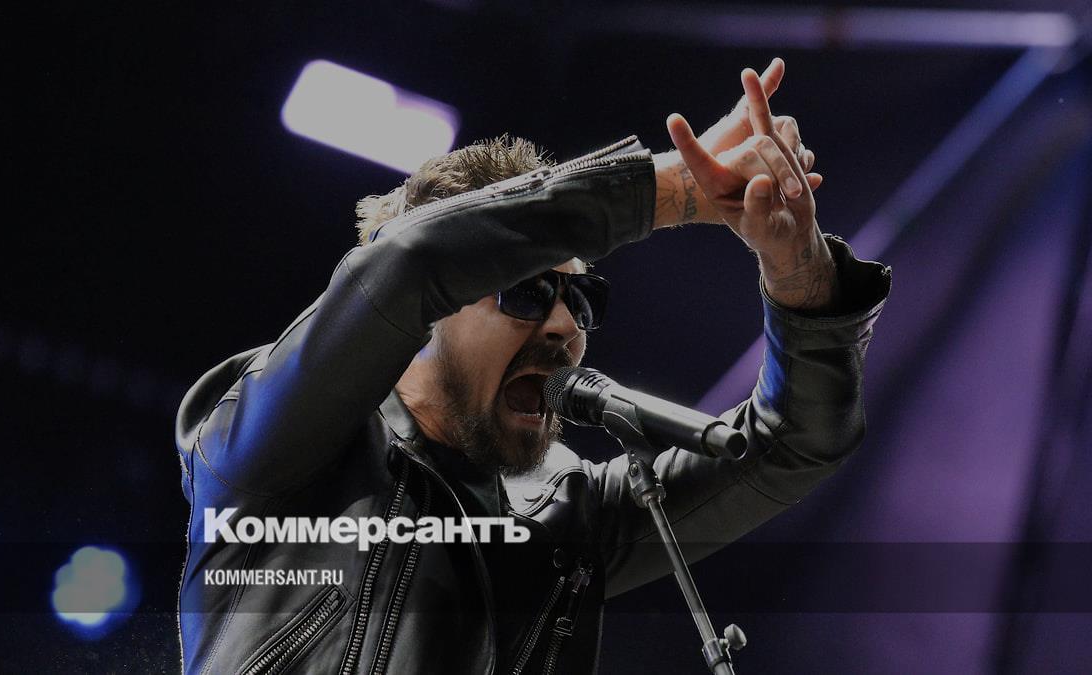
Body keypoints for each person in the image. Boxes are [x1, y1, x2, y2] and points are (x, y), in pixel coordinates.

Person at [174, 58, 891, 674]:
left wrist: (800, 273)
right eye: (526, 290)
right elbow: (408, 265)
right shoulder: (280, 445)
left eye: (580, 298)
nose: (564, 325)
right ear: (426, 319)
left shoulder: (564, 516)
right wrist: (670, 191)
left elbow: (794, 442)